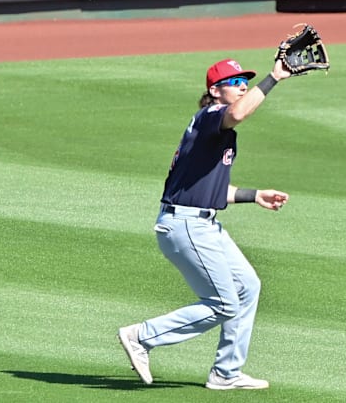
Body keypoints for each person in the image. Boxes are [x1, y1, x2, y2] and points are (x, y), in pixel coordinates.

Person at [118, 57, 291, 390]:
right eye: (235, 82)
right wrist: (274, 77)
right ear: (214, 91)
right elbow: (238, 113)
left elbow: (207, 191)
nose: (242, 87)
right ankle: (142, 336)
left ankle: (226, 373)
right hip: (186, 226)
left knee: (248, 287)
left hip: (202, 223)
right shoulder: (212, 116)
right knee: (225, 303)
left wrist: (254, 195)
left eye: (245, 82)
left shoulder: (218, 133)